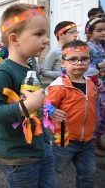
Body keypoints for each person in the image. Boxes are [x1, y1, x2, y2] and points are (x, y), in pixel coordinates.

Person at [0, 3, 57, 187]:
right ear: (15, 39)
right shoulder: (3, 72)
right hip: (18, 157)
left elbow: (35, 104)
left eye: (46, 34)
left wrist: (47, 110)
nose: (46, 39)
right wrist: (28, 106)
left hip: (40, 148)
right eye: (39, 34)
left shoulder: (30, 66)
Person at [45, 40, 97, 187]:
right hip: (64, 138)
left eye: (84, 58)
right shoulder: (59, 85)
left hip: (87, 140)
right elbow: (47, 105)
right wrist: (51, 112)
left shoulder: (90, 83)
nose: (79, 63)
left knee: (88, 174)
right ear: (62, 62)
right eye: (73, 59)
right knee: (54, 169)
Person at [85, 18, 105, 157]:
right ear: (89, 32)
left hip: (103, 83)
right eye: (99, 30)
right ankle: (91, 144)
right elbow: (83, 67)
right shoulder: (87, 47)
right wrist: (100, 65)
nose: (103, 33)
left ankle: (98, 139)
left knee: (102, 115)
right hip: (94, 86)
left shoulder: (101, 45)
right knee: (96, 115)